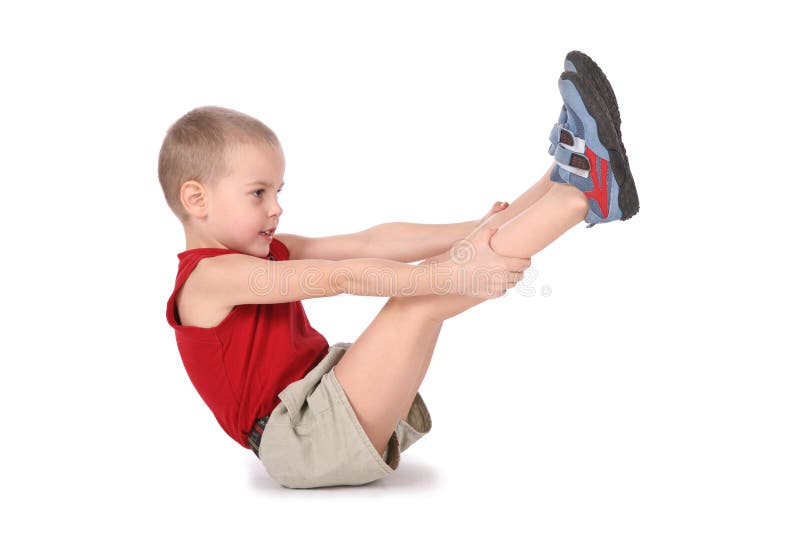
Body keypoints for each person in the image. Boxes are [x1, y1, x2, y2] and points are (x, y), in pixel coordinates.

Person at [160, 50, 639, 489]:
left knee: (429, 281)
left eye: (279, 191)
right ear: (196, 199)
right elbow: (337, 277)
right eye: (259, 193)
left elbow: (368, 242)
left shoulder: (266, 251)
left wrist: (477, 227)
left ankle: (563, 177)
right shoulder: (208, 280)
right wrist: (446, 275)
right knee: (418, 299)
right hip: (300, 438)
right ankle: (581, 197)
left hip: (321, 401)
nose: (276, 208)